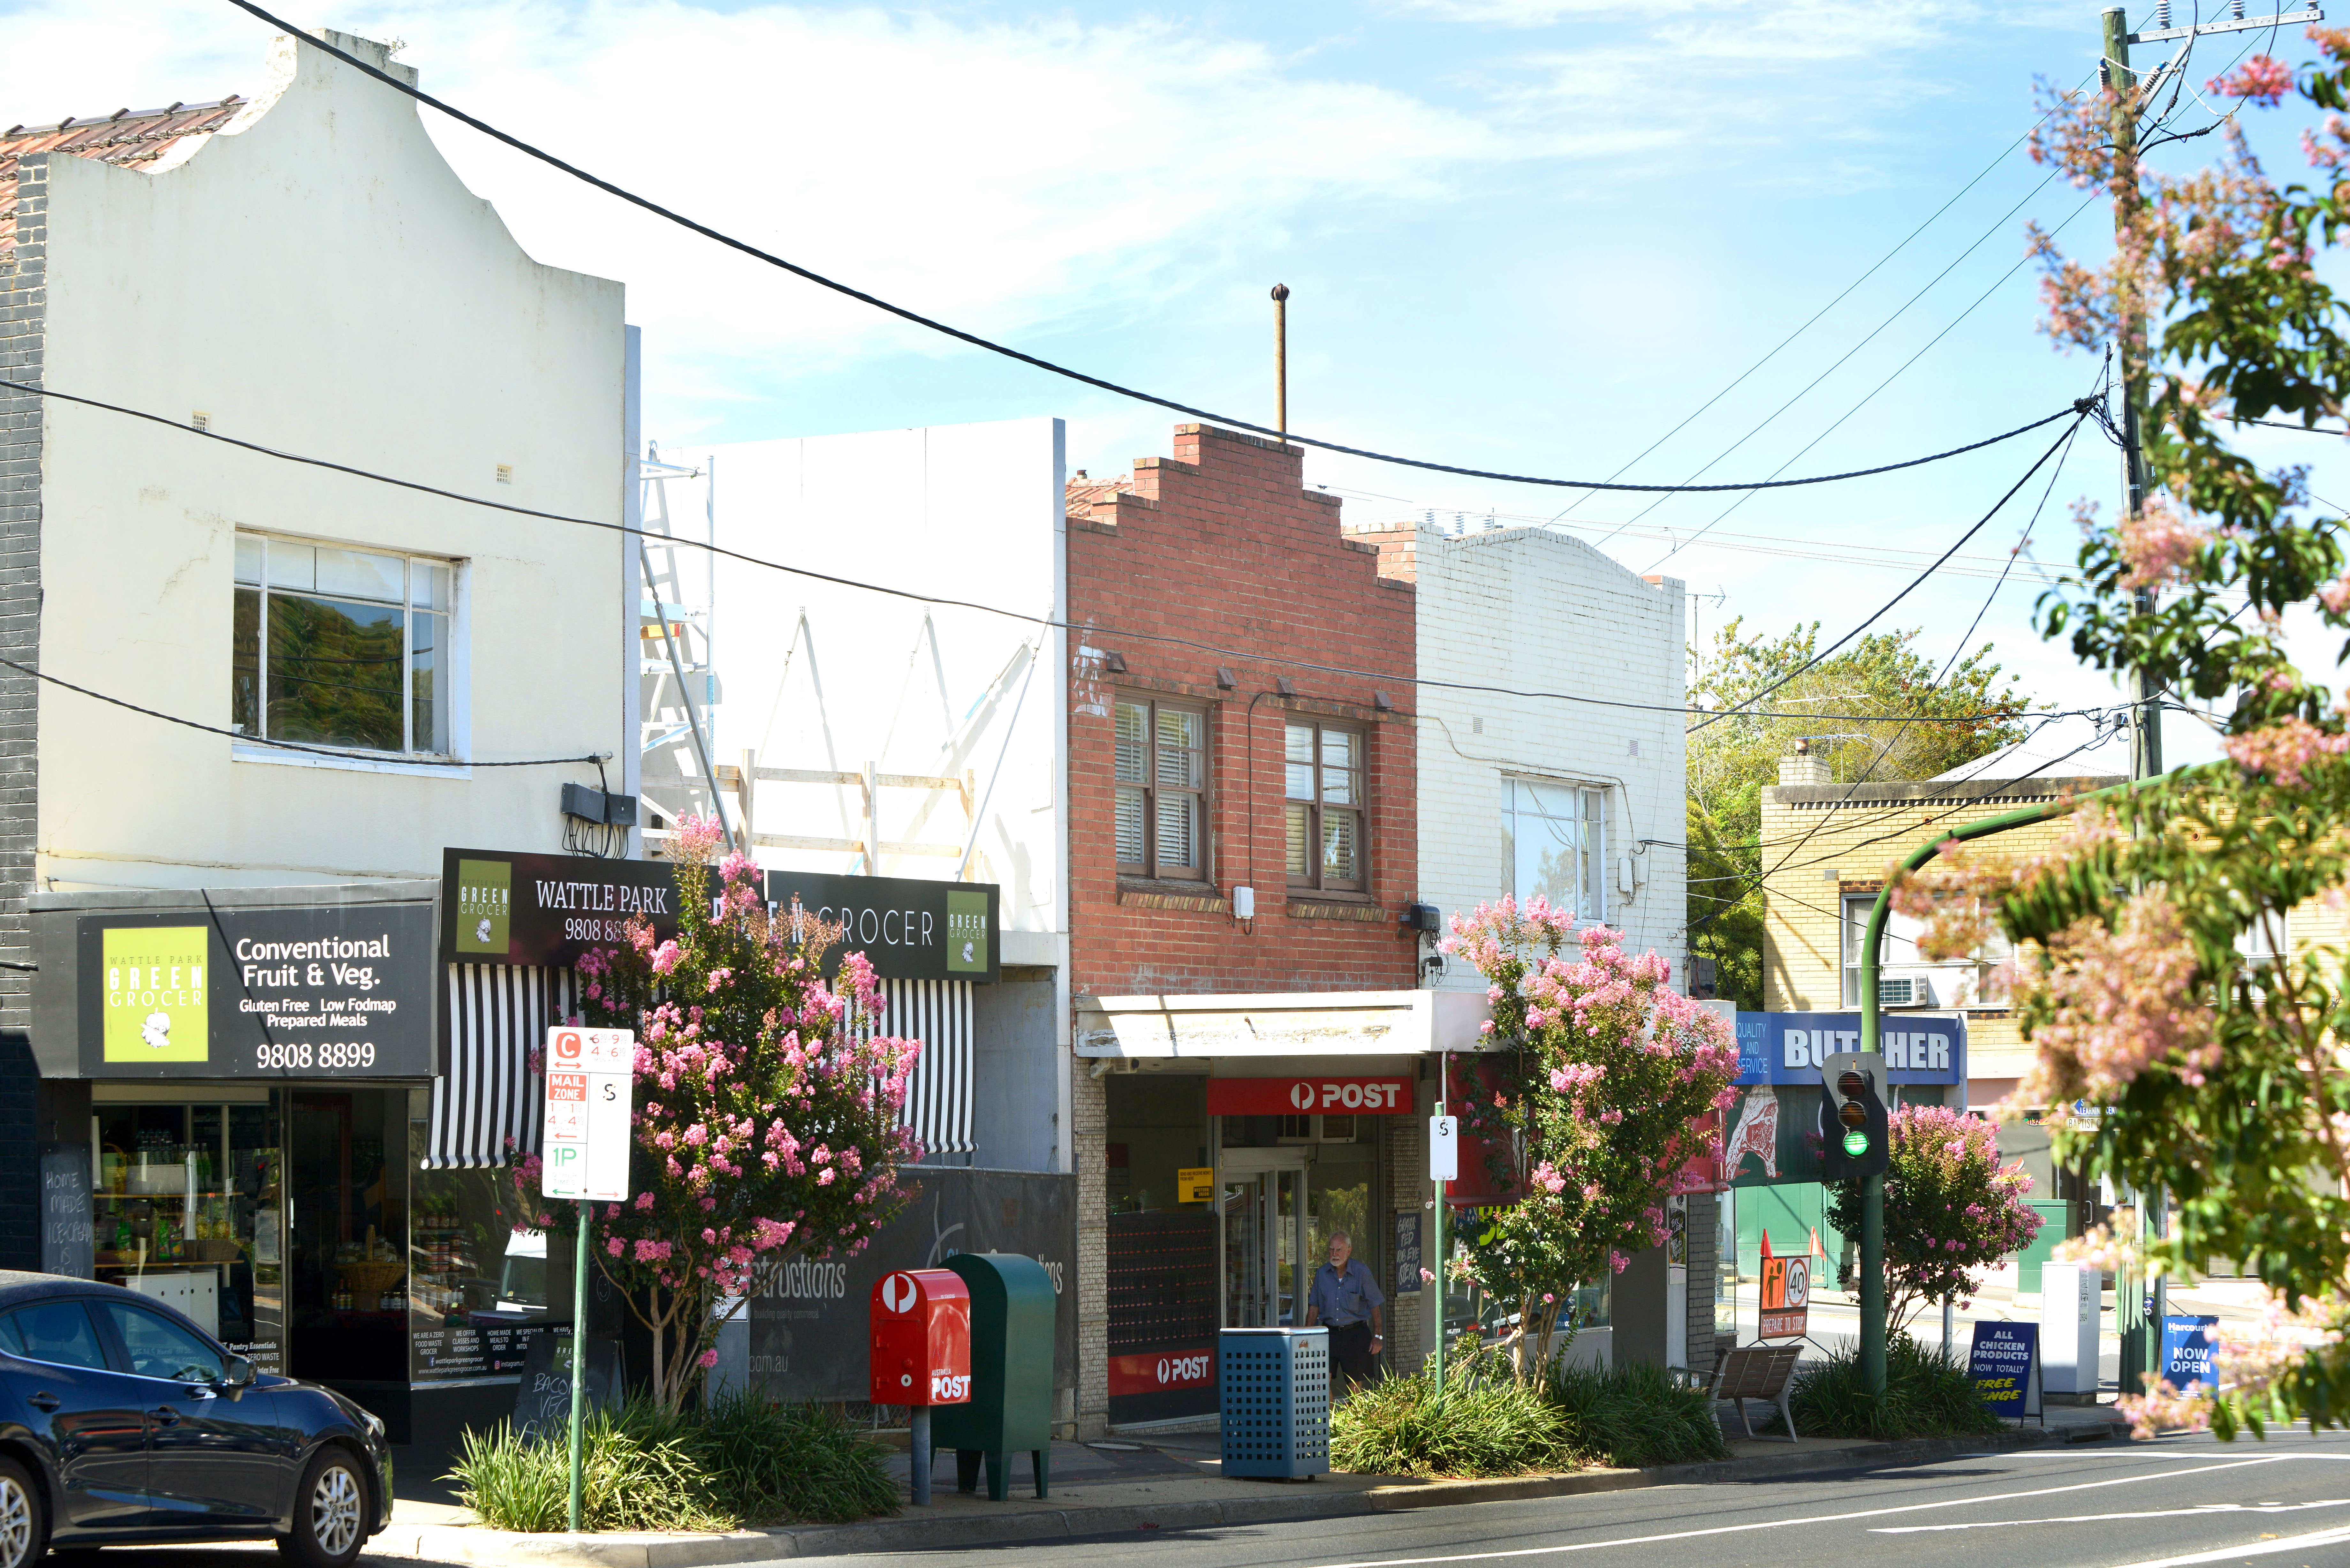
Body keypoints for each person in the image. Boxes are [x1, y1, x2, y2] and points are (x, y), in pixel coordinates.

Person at [1303, 1229, 1386, 1390]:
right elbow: (1314, 1307)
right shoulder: (1322, 1273)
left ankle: (1355, 1409)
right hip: (1329, 1334)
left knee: (1355, 1386)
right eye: (1331, 1249)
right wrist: (1307, 1336)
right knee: (1320, 1382)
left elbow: (1375, 1305)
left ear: (1349, 1251)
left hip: (1355, 1334)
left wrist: (1378, 1336)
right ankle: (1329, 1408)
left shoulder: (1361, 1272)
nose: (1334, 1254)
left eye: (1339, 1250)